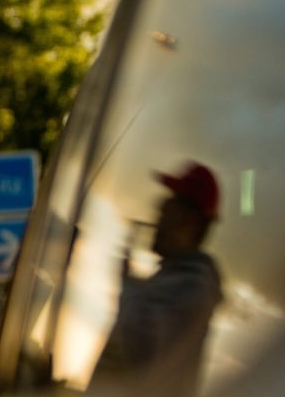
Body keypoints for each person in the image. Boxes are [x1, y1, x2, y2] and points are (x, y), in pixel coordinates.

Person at [88, 162, 224, 397]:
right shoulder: (173, 280)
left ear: (189, 221)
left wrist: (128, 287)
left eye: (168, 206)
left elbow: (140, 353)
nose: (158, 212)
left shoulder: (194, 289)